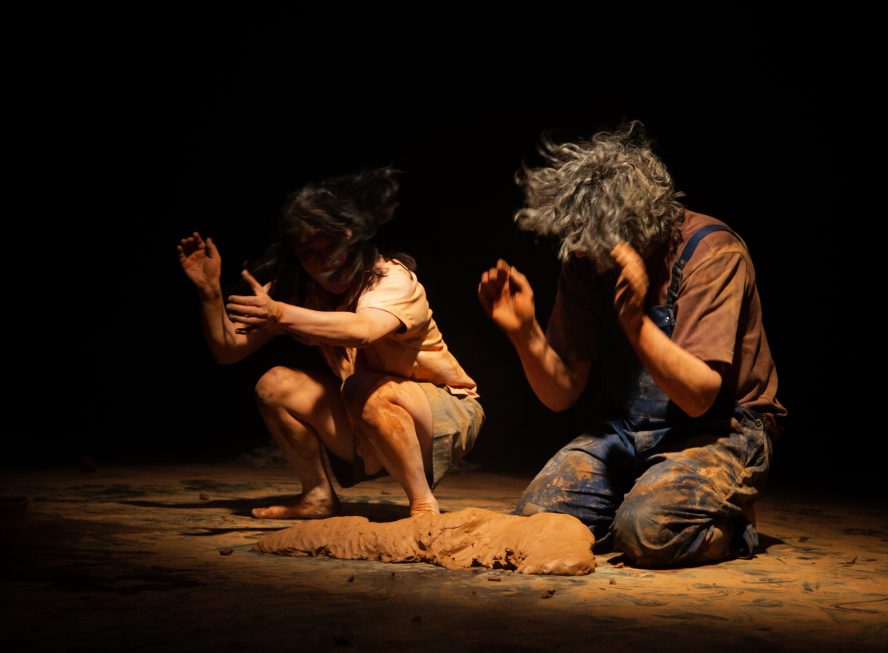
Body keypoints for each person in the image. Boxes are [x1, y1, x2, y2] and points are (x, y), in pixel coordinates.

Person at [478, 122, 785, 567]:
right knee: (537, 517)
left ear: (635, 225)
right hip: (625, 429)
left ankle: (730, 525)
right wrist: (524, 333)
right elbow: (562, 393)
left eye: (592, 241)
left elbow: (699, 397)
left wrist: (635, 323)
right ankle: (639, 497)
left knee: (646, 533)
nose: (580, 253)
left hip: (720, 429)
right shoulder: (585, 261)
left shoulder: (711, 253)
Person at [178, 168, 483, 519]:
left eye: (332, 245)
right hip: (367, 414)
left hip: (444, 412)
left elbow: (364, 330)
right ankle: (317, 496)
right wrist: (210, 293)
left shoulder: (391, 278)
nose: (325, 260)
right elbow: (228, 349)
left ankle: (422, 504)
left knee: (364, 389)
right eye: (310, 252)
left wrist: (280, 313)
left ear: (352, 238)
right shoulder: (302, 291)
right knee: (274, 385)